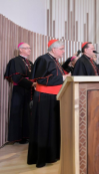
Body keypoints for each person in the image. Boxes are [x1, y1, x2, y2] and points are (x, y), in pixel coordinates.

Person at [27, 40, 70, 168]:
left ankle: (52, 154)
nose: (63, 51)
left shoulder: (55, 61)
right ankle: (42, 158)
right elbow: (41, 79)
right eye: (61, 49)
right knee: (44, 127)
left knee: (53, 127)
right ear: (53, 49)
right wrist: (63, 78)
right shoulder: (43, 59)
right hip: (44, 98)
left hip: (55, 97)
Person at [4, 42, 35, 144]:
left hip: (30, 90)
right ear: (20, 50)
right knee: (19, 112)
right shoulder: (15, 61)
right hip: (20, 91)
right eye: (27, 48)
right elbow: (16, 78)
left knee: (28, 113)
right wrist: (31, 84)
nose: (29, 50)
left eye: (29, 48)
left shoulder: (30, 62)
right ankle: (19, 137)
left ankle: (27, 135)